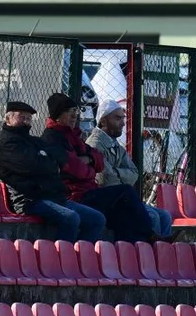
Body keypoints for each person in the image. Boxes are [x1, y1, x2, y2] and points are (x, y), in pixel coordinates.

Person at [40, 92, 155, 243]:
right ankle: (151, 237)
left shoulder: (75, 136)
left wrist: (88, 160)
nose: (75, 115)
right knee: (126, 192)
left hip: (89, 191)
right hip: (75, 195)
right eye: (69, 111)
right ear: (57, 115)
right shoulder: (52, 138)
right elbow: (79, 170)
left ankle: (130, 258)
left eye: (76, 111)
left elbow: (101, 162)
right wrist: (90, 165)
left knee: (124, 215)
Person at [0, 101, 106, 242]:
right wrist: (50, 163)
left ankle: (78, 257)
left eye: (29, 117)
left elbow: (60, 155)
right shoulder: (8, 144)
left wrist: (47, 159)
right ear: (8, 119)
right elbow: (34, 167)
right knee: (70, 218)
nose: (26, 120)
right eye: (21, 116)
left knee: (97, 219)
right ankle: (62, 258)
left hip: (52, 197)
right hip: (29, 200)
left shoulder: (32, 141)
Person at [86, 100, 173, 241]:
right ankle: (148, 255)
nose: (123, 123)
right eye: (117, 118)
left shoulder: (115, 144)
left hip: (122, 198)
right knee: (153, 216)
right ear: (103, 122)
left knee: (165, 216)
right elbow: (105, 179)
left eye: (123, 118)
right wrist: (122, 177)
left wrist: (117, 173)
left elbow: (134, 173)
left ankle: (163, 256)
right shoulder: (95, 144)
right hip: (109, 201)